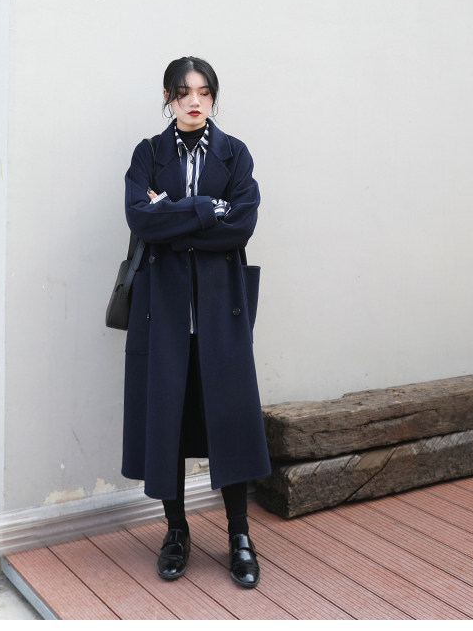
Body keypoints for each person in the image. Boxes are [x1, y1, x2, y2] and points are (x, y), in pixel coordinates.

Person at [121, 56, 271, 588]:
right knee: (167, 420)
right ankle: (176, 532)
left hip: (220, 309)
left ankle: (240, 534)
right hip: (163, 311)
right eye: (184, 92)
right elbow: (139, 218)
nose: (195, 101)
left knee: (230, 419)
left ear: (212, 98)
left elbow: (242, 225)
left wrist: (174, 213)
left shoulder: (235, 153)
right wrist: (209, 209)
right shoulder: (148, 153)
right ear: (168, 96)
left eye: (204, 92)